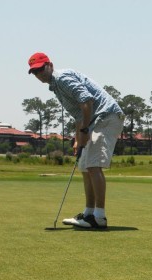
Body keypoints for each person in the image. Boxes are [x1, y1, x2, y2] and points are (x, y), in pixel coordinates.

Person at [28, 52, 124, 229]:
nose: (39, 74)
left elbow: (87, 101)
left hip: (106, 117)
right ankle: (88, 213)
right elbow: (79, 114)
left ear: (50, 65)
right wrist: (77, 138)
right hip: (95, 120)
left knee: (93, 165)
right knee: (84, 166)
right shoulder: (55, 86)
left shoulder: (62, 78)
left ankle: (99, 217)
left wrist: (85, 130)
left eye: (41, 69)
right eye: (34, 72)